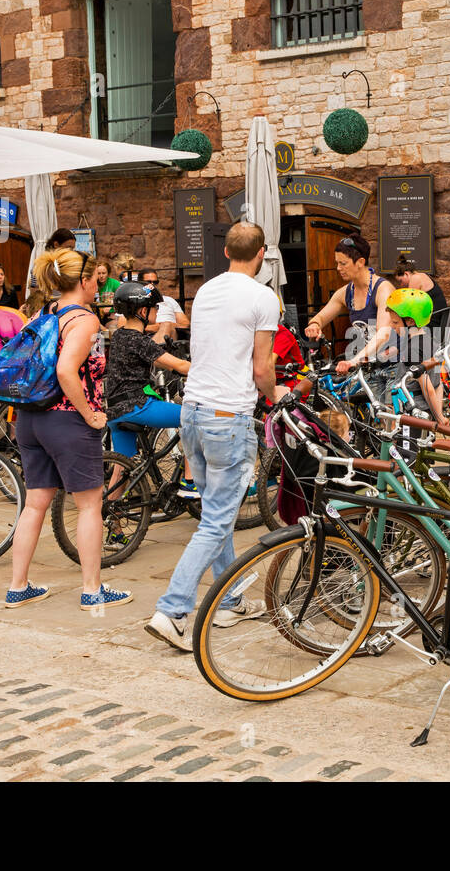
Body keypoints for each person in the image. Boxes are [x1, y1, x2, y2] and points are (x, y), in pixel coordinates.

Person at [145, 222, 288, 652]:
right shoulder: (264, 298)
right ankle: (172, 611)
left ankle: (229, 600)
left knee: (216, 512)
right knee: (215, 521)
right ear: (262, 253)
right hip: (228, 416)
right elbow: (262, 368)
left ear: (226, 252)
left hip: (193, 411)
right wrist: (274, 392)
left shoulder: (206, 291)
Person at [8, 247, 131, 612]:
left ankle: (18, 586)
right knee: (91, 505)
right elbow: (66, 371)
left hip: (30, 418)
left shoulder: (41, 313)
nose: (99, 286)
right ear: (82, 280)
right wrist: (91, 415)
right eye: (96, 279)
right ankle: (92, 589)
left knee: (35, 504)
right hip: (67, 420)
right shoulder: (83, 320)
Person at [105, 280, 191, 457]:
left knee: (123, 466)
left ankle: (118, 486)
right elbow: (181, 365)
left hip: (115, 409)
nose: (158, 311)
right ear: (143, 311)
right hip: (138, 406)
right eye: (155, 308)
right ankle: (189, 481)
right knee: (194, 418)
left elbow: (153, 359)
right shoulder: (140, 340)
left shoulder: (120, 335)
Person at [303, 236, 394, 365]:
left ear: (360, 262)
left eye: (343, 263)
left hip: (389, 365)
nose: (338, 268)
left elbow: (383, 335)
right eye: (337, 263)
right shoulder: (345, 292)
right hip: (365, 365)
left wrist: (354, 361)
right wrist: (315, 325)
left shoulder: (383, 289)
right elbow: (321, 318)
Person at [384, 287, 444, 420]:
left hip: (414, 412)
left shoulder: (413, 350)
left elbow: (428, 388)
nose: (392, 326)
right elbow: (438, 384)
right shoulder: (431, 341)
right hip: (428, 410)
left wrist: (440, 418)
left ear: (410, 321)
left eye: (395, 322)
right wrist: (438, 412)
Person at [394, 256, 447, 330]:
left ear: (406, 274)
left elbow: (409, 307)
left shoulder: (415, 278)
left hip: (432, 323)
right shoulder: (424, 275)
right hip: (439, 320)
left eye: (400, 281)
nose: (401, 285)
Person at [137, 267, 190, 339]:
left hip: (172, 337)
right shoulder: (134, 300)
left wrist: (168, 326)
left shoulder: (169, 300)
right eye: (148, 282)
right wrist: (158, 327)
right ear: (139, 283)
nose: (152, 285)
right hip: (147, 337)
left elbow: (185, 324)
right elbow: (124, 326)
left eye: (155, 282)